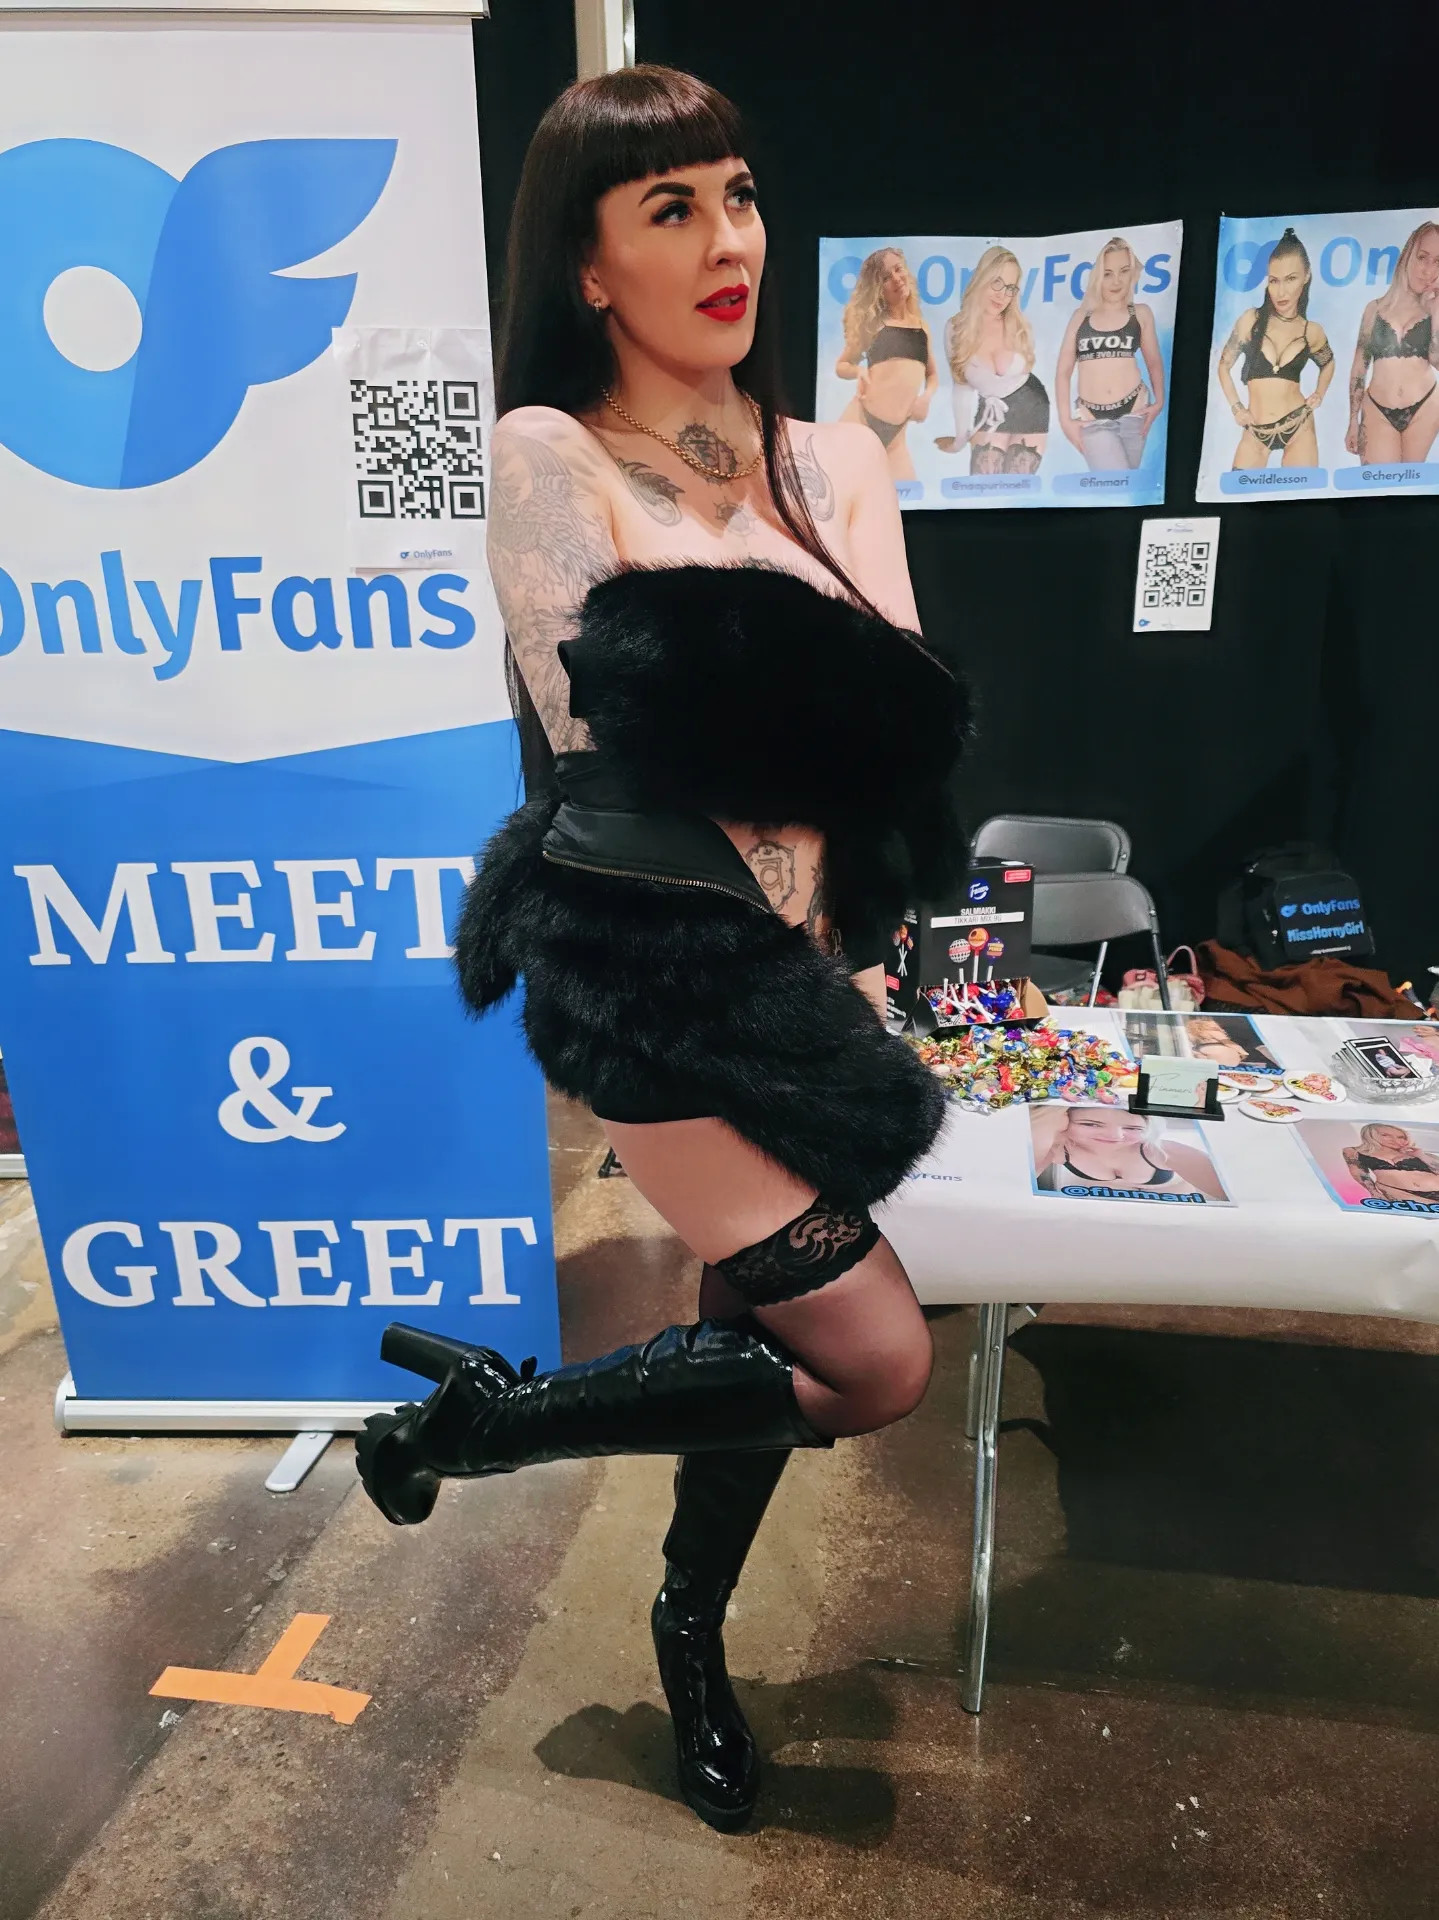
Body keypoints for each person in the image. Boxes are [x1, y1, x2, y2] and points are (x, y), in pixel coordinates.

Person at [353, 67, 969, 1836]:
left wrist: (753, 676)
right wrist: (816, 699)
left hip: (806, 982)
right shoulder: (545, 456)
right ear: (587, 264)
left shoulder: (833, 460)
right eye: (670, 209)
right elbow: (614, 738)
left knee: (741, 1339)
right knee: (872, 1359)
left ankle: (687, 1635)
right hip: (656, 985)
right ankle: (481, 1428)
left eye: (739, 196)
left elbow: (898, 744)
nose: (726, 243)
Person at [1216, 228, 1335, 469]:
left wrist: (1319, 394)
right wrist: (1237, 408)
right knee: (1240, 488)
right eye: (1274, 280)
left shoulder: (1311, 331)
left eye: (1290, 279)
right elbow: (1224, 366)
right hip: (1255, 431)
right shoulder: (1251, 320)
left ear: (1306, 277)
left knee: (1302, 493)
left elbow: (1328, 364)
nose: (1281, 292)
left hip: (1298, 426)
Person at [933, 246, 1049, 474]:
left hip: (1032, 405)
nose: (1002, 295)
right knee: (984, 482)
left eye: (1010, 288)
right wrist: (959, 441)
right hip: (990, 410)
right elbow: (962, 386)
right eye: (997, 282)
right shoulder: (955, 328)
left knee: (1018, 482)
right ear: (982, 278)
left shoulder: (1020, 327)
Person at [1054, 236, 1166, 472]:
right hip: (1091, 416)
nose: (1116, 281)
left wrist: (1159, 402)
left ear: (1132, 273)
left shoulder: (1141, 314)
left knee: (1125, 483)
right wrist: (1065, 421)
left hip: (1135, 410)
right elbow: (1063, 371)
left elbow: (1154, 362)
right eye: (1107, 273)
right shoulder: (1080, 317)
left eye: (1123, 271)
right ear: (1097, 276)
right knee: (1116, 480)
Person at [833, 248, 937, 482]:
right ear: (878, 289)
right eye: (886, 278)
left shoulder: (922, 327)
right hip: (861, 422)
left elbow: (932, 375)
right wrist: (859, 370)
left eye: (898, 269)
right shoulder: (873, 325)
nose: (897, 279)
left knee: (909, 494)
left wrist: (926, 398)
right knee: (843, 489)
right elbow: (841, 365)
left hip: (897, 438)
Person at [1345, 221, 1439, 467]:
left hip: (1425, 407)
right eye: (1422, 257)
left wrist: (1436, 311)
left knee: (1410, 483)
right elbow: (1359, 368)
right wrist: (1352, 421)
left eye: (1438, 262)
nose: (1428, 270)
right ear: (1408, 255)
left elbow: (1437, 360)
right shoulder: (1374, 310)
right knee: (1378, 483)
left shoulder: (1435, 309)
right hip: (1377, 409)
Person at [1032, 1104, 1225, 1199]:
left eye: (1132, 1128)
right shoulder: (1057, 1149)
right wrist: (1051, 1124)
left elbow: (1231, 1193)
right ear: (1064, 1121)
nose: (1115, 1136)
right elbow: (1021, 1185)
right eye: (1090, 1124)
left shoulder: (1162, 1151)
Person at [1342, 1124, 1439, 1203]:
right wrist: (1373, 1192)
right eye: (1386, 1135)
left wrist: (1421, 1156)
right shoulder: (1354, 1152)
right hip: (1401, 1193)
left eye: (1400, 1137)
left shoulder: (1418, 1154)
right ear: (1370, 1135)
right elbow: (1359, 1173)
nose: (1394, 1139)